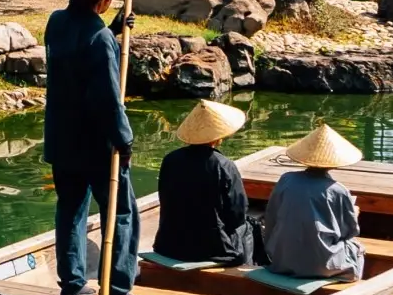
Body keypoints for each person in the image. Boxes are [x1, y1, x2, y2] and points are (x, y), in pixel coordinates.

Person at [43, 0, 149, 295]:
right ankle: (118, 289)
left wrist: (114, 29)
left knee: (70, 210)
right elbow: (106, 98)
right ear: (102, 1)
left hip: (61, 139)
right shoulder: (100, 39)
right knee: (120, 214)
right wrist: (125, 139)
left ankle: (72, 284)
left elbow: (77, 52)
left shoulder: (55, 22)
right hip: (96, 144)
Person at [262, 123, 365, 280]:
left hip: (282, 260)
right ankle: (349, 280)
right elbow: (349, 232)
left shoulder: (286, 180)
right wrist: (354, 214)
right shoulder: (338, 190)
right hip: (322, 264)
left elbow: (272, 217)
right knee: (357, 248)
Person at [155, 99, 252, 265]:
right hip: (213, 249)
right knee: (249, 228)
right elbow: (237, 214)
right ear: (218, 136)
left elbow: (164, 199)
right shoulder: (224, 165)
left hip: (168, 245)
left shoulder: (170, 160)